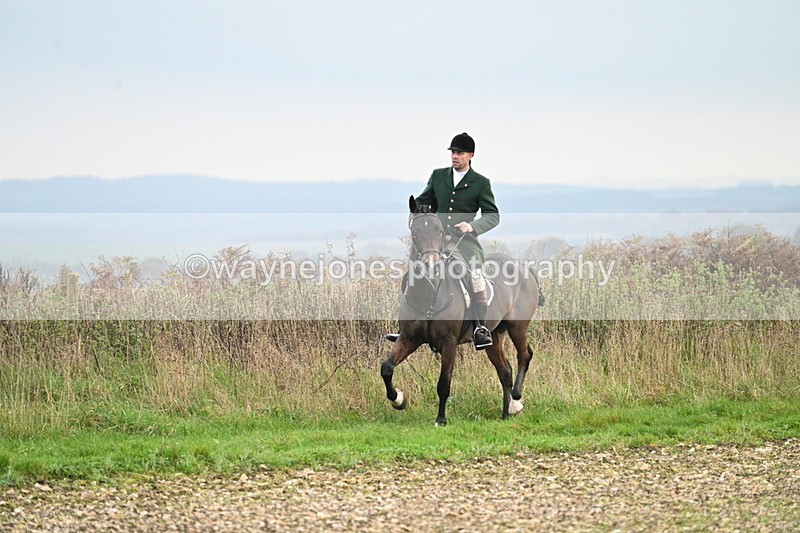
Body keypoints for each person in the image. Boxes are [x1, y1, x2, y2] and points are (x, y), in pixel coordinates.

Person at [390, 132, 499, 349]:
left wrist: (473, 226)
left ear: (470, 155)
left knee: (475, 277)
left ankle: (479, 328)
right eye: (453, 152)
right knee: (413, 274)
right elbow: (420, 202)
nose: (455, 156)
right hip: (434, 241)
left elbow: (492, 215)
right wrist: (418, 221)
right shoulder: (438, 176)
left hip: (464, 243)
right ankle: (406, 327)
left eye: (459, 153)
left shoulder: (481, 183)